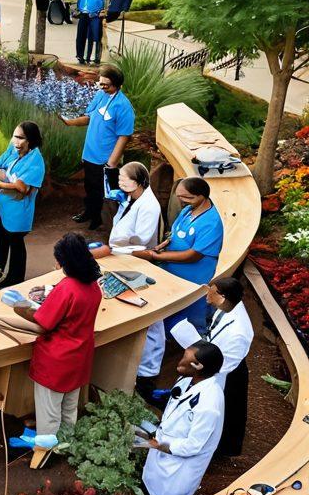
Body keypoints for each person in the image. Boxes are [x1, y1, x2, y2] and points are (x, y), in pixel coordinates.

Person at [9, 233, 103, 447]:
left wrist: (20, 309)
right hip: (79, 356)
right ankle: (66, 446)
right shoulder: (93, 286)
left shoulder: (67, 288)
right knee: (69, 408)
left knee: (49, 413)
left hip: (57, 359)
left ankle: (45, 452)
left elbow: (44, 323)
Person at [134, 177, 225, 391]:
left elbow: (193, 255)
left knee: (191, 320)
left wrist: (158, 257)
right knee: (169, 317)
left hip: (192, 279)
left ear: (202, 196)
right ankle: (169, 349)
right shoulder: (187, 211)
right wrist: (164, 244)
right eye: (180, 196)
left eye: (187, 197)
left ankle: (197, 366)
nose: (182, 201)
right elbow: (174, 234)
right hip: (171, 275)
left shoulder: (211, 222)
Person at [142, 342, 226, 495]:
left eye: (185, 359)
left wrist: (158, 445)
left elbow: (193, 446)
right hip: (159, 461)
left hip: (176, 473)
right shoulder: (188, 380)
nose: (179, 362)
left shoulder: (209, 405)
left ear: (198, 366)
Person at [62, 66, 135, 230]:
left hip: (104, 158)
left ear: (117, 85)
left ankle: (99, 219)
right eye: (100, 83)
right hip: (89, 153)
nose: (101, 87)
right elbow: (89, 118)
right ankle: (89, 212)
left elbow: (124, 136)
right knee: (89, 187)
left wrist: (112, 162)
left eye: (105, 85)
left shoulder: (123, 106)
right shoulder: (100, 95)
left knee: (100, 191)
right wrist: (69, 122)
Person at [0, 122, 46, 287]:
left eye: (20, 138)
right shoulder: (13, 149)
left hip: (18, 211)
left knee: (16, 242)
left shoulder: (36, 161)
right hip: (5, 206)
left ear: (30, 140)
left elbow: (23, 188)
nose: (15, 141)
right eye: (14, 136)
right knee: (2, 238)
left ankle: (15, 279)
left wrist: (1, 183)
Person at [201, 277, 253, 457]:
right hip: (218, 361)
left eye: (211, 291)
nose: (206, 293)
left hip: (228, 374)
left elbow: (225, 365)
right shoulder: (227, 307)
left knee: (229, 412)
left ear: (222, 296)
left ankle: (221, 450)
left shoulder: (239, 332)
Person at [88, 161, 160, 258]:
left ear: (138, 183)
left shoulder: (149, 206)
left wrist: (111, 251)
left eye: (124, 182)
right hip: (120, 249)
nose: (120, 185)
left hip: (136, 256)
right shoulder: (132, 196)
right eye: (120, 181)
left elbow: (140, 242)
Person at [74, 0, 105, 64]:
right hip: (83, 14)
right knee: (81, 35)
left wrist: (101, 14)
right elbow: (78, 1)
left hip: (95, 16)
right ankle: (80, 56)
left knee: (96, 36)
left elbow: (104, 3)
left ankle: (95, 57)